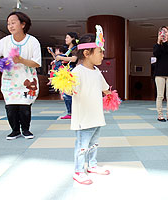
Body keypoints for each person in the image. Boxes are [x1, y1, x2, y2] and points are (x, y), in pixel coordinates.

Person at [0, 11, 41, 140]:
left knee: (24, 107)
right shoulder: (4, 41)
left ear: (23, 24)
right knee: (11, 108)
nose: (10, 26)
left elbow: (37, 63)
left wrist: (21, 60)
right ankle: (15, 130)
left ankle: (26, 130)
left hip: (27, 81)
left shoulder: (33, 41)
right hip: (9, 80)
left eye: (13, 23)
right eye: (8, 24)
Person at [70, 26, 111, 185]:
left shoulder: (97, 72)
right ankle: (78, 171)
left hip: (96, 115)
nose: (103, 54)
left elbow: (105, 88)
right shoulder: (77, 72)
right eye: (100, 51)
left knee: (94, 143)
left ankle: (92, 165)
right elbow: (69, 89)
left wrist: (109, 94)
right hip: (84, 118)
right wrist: (67, 85)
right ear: (87, 53)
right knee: (82, 145)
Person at [153, 26, 168, 122]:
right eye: (162, 32)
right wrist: (159, 42)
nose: (164, 34)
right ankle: (160, 115)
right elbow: (156, 54)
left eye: (166, 32)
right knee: (160, 96)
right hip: (159, 74)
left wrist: (166, 43)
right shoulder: (157, 45)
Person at [52, 32, 78, 119]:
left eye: (67, 37)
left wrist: (61, 58)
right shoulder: (68, 49)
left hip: (71, 73)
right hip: (66, 73)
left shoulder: (75, 48)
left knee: (68, 94)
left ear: (73, 38)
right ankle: (70, 113)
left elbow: (74, 59)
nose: (65, 39)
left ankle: (71, 113)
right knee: (66, 94)